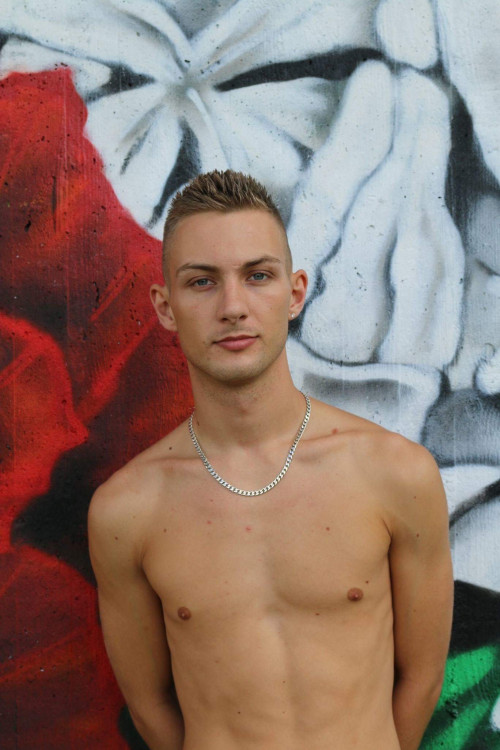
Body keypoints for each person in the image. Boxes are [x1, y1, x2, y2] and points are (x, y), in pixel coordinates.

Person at [88, 169, 453, 750]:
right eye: (202, 282)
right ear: (165, 306)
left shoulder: (395, 474)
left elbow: (423, 677)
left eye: (257, 276)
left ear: (296, 293)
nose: (233, 306)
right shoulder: (126, 511)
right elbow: (150, 706)